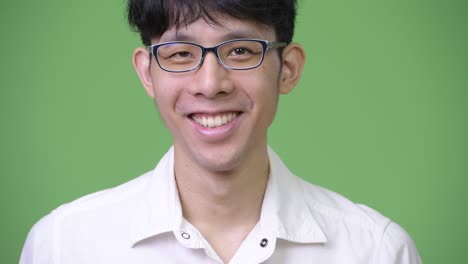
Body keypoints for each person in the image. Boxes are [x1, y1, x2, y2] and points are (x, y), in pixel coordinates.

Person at [20, 0, 422, 263]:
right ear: (147, 73)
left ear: (288, 68)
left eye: (241, 50)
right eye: (181, 54)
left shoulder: (377, 251)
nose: (210, 84)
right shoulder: (62, 246)